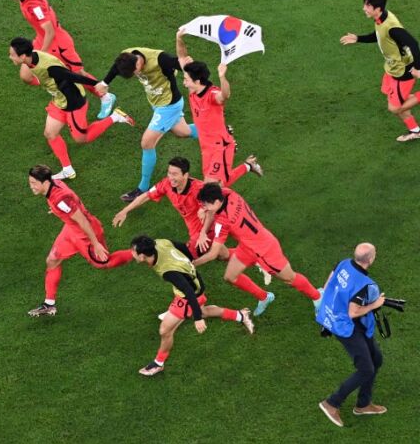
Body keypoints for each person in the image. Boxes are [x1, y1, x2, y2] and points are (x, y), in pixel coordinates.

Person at [113, 157, 274, 312]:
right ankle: (257, 264)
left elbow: (211, 210)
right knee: (223, 255)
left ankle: (183, 305)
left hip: (204, 233)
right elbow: (146, 196)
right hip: (197, 231)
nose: (171, 177)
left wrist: (203, 232)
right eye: (169, 173)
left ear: (186, 175)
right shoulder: (166, 184)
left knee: (181, 263)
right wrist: (125, 211)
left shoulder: (198, 189)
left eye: (175, 174)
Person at [9, 38, 135, 180]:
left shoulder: (50, 68)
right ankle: (67, 169)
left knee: (81, 138)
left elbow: (74, 77)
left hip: (73, 102)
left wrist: (98, 84)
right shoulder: (32, 58)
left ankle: (116, 116)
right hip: (59, 100)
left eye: (12, 55)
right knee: (50, 133)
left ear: (23, 56)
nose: (10, 57)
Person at [131, 235, 254, 376]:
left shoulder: (168, 272)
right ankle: (240, 315)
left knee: (165, 331)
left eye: (133, 251)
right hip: (194, 280)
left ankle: (158, 364)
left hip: (188, 294)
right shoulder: (160, 242)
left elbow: (188, 291)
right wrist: (190, 263)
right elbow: (182, 246)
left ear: (142, 257)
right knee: (202, 311)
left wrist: (197, 319)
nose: (131, 253)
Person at [94, 37, 197, 201]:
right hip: (157, 104)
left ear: (137, 64)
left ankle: (143, 188)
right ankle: (217, 131)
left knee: (147, 143)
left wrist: (186, 61)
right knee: (183, 132)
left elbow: (180, 62)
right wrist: (105, 82)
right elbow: (116, 66)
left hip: (168, 105)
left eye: (135, 72)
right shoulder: (126, 56)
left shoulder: (160, 59)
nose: (136, 75)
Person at [6, 0, 115, 117]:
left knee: (78, 73)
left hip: (58, 42)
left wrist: (41, 56)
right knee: (26, 76)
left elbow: (50, 31)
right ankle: (56, 87)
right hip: (41, 38)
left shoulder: (33, 5)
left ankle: (105, 96)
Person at [195, 182, 323, 311]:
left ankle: (318, 297)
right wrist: (203, 232)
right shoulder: (230, 193)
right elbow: (216, 196)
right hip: (248, 246)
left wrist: (192, 264)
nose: (204, 208)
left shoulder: (223, 222)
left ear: (217, 202)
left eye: (205, 205)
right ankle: (265, 297)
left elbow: (213, 254)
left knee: (290, 278)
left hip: (265, 250)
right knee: (230, 276)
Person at [26, 165, 134, 317]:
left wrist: (95, 243)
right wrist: (58, 210)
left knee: (104, 263)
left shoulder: (59, 199)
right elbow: (73, 200)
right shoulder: (54, 185)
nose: (31, 186)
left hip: (86, 234)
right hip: (71, 230)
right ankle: (49, 304)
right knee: (52, 260)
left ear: (44, 182)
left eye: (33, 183)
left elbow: (83, 221)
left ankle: (138, 252)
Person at [177, 29, 263, 184]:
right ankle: (248, 166)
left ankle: (247, 167)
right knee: (218, 185)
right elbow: (182, 57)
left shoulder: (212, 94)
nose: (184, 83)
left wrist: (222, 77)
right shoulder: (193, 88)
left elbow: (225, 95)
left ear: (197, 81)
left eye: (186, 80)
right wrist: (179, 38)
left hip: (219, 147)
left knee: (210, 189)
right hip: (206, 146)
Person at [316, 243, 387, 427]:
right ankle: (332, 403)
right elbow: (353, 312)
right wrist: (376, 304)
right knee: (366, 369)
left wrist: (327, 306)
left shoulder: (344, 263)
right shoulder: (366, 285)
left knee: (376, 359)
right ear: (370, 259)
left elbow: (329, 282)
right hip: (346, 326)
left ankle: (363, 405)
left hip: (335, 318)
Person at [340, 0, 420, 141]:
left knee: (395, 108)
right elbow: (379, 36)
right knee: (398, 102)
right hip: (392, 68)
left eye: (368, 5)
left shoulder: (392, 27)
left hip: (401, 72)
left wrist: (417, 69)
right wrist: (358, 38)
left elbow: (413, 44)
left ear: (378, 9)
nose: (364, 8)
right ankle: (415, 131)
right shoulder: (381, 19)